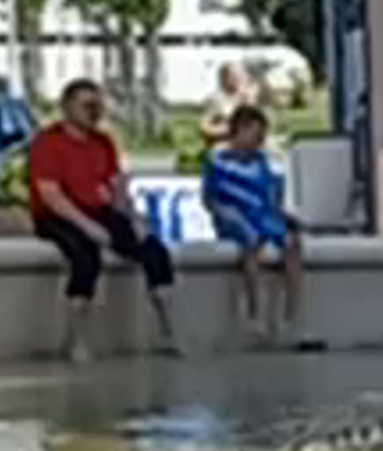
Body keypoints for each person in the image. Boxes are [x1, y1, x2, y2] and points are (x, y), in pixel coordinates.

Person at [24, 85, 177, 356]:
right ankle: (76, 340)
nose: (94, 112)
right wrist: (87, 226)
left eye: (98, 106)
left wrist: (132, 218)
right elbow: (51, 195)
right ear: (67, 108)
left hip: (98, 210)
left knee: (154, 250)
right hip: (57, 214)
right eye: (87, 106)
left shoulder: (103, 142)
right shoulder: (47, 143)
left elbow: (115, 187)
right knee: (85, 257)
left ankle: (169, 331)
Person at [199, 95, 307, 333]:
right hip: (233, 215)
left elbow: (272, 200)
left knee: (292, 243)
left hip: (261, 215)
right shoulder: (217, 161)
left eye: (261, 137)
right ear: (239, 131)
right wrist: (225, 214)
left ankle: (291, 314)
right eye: (255, 135)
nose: (259, 142)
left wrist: (286, 218)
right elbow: (209, 199)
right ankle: (254, 311)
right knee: (250, 240)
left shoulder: (262, 162)